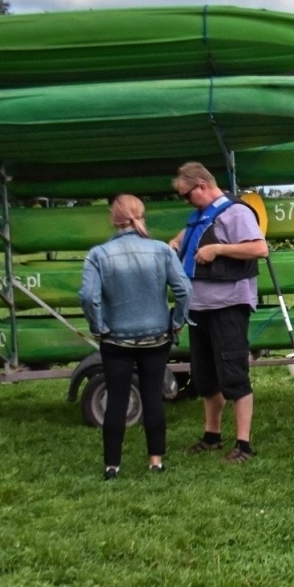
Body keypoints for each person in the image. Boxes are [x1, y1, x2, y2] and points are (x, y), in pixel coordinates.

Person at [79, 195, 191, 480]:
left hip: (115, 337)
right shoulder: (161, 251)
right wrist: (176, 322)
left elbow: (88, 297)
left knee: (116, 398)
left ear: (113, 218)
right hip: (156, 335)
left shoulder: (98, 254)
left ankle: (112, 466)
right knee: (153, 395)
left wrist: (99, 326)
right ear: (142, 215)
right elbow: (184, 290)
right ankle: (156, 461)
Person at [167, 162, 270, 462]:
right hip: (199, 307)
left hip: (228, 306)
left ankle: (243, 444)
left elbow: (259, 249)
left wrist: (219, 250)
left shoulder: (236, 212)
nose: (186, 201)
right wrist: (175, 242)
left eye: (187, 195)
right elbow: (194, 234)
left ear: (202, 186)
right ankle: (212, 435)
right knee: (205, 376)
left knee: (234, 375)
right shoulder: (201, 215)